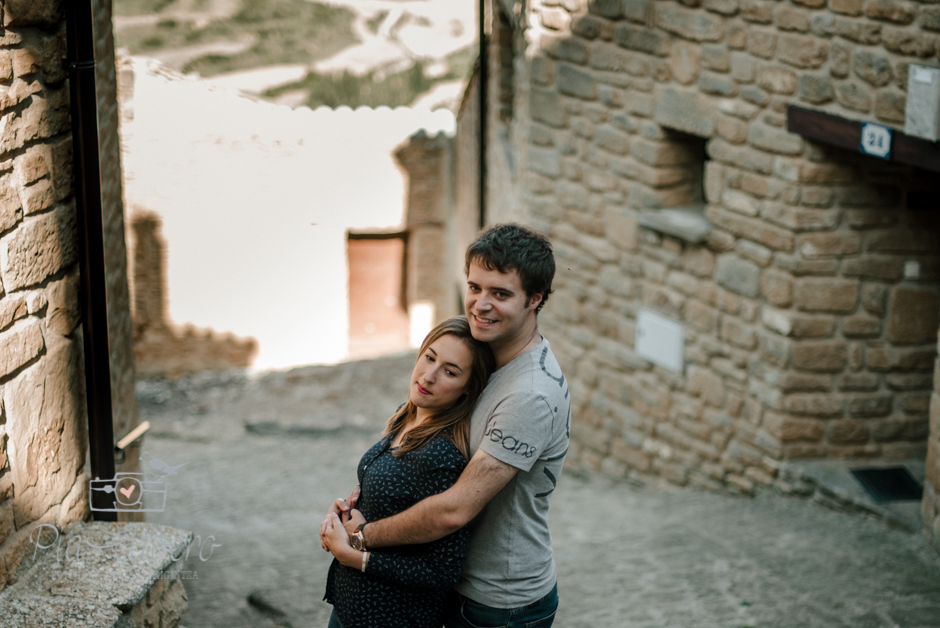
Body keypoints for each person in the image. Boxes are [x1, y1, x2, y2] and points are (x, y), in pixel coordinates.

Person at [323, 223, 571, 628]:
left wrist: (363, 536)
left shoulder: (529, 395)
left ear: (535, 299)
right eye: (475, 287)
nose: (481, 305)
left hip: (496, 601)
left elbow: (453, 510)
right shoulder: (485, 354)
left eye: (501, 294)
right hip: (450, 583)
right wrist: (368, 497)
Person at [320, 316, 496, 628]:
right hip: (350, 606)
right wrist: (344, 513)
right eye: (430, 357)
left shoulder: (442, 455)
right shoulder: (408, 414)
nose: (428, 376)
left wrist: (355, 556)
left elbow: (441, 571)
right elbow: (392, 497)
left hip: (389, 617)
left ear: (468, 389)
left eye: (450, 372)